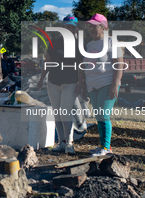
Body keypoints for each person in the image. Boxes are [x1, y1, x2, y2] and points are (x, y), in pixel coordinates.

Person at [76, 13, 124, 157]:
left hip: (107, 83)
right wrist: (82, 85)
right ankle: (103, 146)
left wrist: (115, 85)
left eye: (94, 26)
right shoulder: (89, 45)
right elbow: (84, 66)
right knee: (99, 116)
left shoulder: (111, 42)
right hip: (92, 85)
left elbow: (119, 65)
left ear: (103, 27)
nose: (91, 28)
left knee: (103, 114)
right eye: (89, 26)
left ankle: (106, 147)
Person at [37, 16, 83, 154]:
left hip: (70, 82)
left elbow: (82, 66)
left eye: (71, 27)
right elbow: (48, 61)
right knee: (57, 113)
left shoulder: (79, 45)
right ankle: (61, 142)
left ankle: (69, 143)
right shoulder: (53, 43)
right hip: (53, 82)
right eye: (66, 27)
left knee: (65, 112)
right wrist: (41, 78)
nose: (68, 29)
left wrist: (81, 83)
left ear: (76, 29)